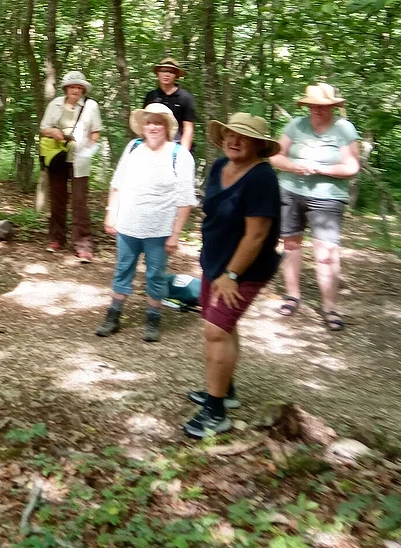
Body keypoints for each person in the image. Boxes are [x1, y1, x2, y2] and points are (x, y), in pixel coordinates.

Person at [184, 113, 281, 438]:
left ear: (259, 145)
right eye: (230, 134)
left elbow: (256, 234)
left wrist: (232, 274)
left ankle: (215, 412)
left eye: (244, 136)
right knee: (223, 327)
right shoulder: (218, 167)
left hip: (243, 268)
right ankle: (226, 390)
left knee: (216, 330)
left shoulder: (261, 178)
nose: (234, 140)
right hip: (216, 260)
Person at [96, 103, 198, 342]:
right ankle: (113, 316)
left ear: (167, 127)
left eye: (158, 122)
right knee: (123, 270)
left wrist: (175, 234)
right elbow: (118, 182)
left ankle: (153, 318)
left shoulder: (179, 155)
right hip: (128, 224)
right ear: (142, 126)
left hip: (159, 229)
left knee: (156, 274)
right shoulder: (133, 147)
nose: (153, 127)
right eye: (149, 122)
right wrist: (111, 213)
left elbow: (185, 199)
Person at [268, 83, 361, 331]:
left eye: (323, 106)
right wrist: (293, 166)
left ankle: (330, 308)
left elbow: (351, 167)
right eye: (314, 106)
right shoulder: (295, 125)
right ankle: (292, 295)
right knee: (290, 243)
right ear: (307, 106)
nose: (318, 110)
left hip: (328, 196)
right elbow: (275, 156)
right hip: (289, 190)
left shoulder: (344, 129)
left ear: (332, 106)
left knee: (326, 253)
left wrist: (320, 169)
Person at [39, 71, 103, 260]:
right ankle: (56, 238)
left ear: (83, 89)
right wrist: (54, 132)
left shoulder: (91, 106)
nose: (75, 90)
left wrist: (88, 151)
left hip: (80, 159)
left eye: (79, 87)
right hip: (57, 156)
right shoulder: (55, 104)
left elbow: (96, 133)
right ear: (66, 88)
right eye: (72, 86)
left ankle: (83, 244)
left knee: (79, 201)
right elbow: (43, 129)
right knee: (57, 198)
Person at [144, 58, 196, 152]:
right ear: (158, 74)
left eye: (171, 72)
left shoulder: (185, 97)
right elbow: (146, 123)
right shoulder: (151, 96)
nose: (167, 74)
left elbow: (188, 128)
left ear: (176, 75)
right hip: (155, 146)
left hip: (177, 145)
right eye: (163, 71)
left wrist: (183, 153)